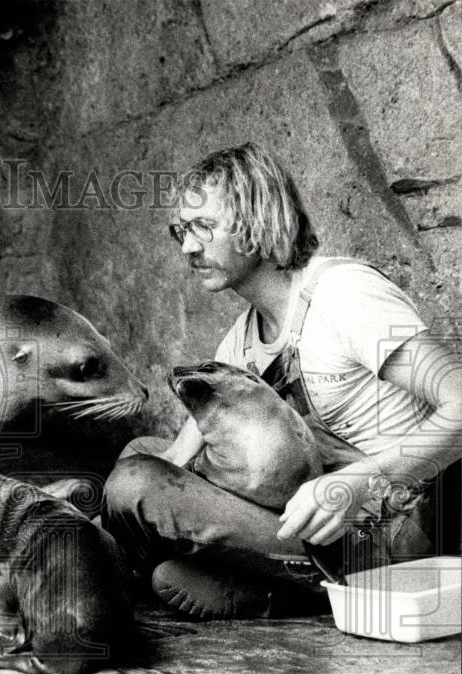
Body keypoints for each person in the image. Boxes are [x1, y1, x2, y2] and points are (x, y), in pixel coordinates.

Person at [102, 142, 462, 619]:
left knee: (136, 485)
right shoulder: (242, 339)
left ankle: (308, 591)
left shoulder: (345, 295)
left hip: (392, 533)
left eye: (204, 227)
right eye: (181, 231)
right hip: (312, 524)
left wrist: (361, 482)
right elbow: (174, 460)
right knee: (140, 454)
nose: (188, 247)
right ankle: (290, 591)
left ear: (259, 218)